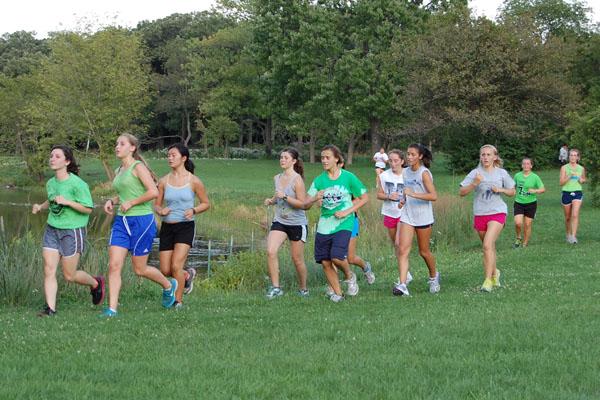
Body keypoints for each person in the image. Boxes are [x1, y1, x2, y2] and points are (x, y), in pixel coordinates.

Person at [102, 133, 177, 317]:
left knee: (139, 269)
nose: (117, 147)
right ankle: (112, 309)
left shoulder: (138, 167)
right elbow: (125, 192)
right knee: (114, 265)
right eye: (116, 144)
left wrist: (133, 203)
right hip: (122, 221)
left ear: (132, 148)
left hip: (142, 221)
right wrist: (113, 199)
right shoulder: (120, 170)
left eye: (121, 144)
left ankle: (169, 285)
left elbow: (153, 191)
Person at [32, 145, 105, 316]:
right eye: (51, 156)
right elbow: (52, 200)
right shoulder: (51, 183)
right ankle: (50, 309)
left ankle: (95, 283)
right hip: (52, 229)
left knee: (69, 275)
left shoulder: (77, 184)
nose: (52, 158)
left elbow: (88, 208)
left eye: (57, 156)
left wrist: (68, 202)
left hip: (71, 232)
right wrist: (40, 206)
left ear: (67, 161)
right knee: (49, 269)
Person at [304, 145, 368, 302]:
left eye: (327, 157)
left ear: (336, 159)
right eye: (322, 158)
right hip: (324, 226)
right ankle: (338, 294)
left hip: (344, 223)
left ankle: (349, 275)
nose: (324, 160)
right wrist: (313, 198)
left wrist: (347, 212)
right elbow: (306, 204)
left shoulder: (348, 177)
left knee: (337, 257)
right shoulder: (319, 180)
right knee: (325, 262)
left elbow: (365, 198)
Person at [154, 143, 210, 309]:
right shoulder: (163, 181)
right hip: (167, 227)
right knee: (165, 269)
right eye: (168, 155)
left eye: (173, 155)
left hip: (185, 227)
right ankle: (186, 275)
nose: (170, 158)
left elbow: (206, 203)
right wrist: (161, 211)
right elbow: (156, 205)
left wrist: (193, 210)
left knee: (176, 265)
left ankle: (177, 302)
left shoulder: (194, 181)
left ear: (184, 158)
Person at [459, 144, 515, 292]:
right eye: (483, 154)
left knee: (486, 245)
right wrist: (474, 184)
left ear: (495, 157)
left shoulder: (501, 173)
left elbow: (512, 191)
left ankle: (487, 280)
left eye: (489, 155)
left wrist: (501, 189)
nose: (485, 157)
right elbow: (462, 192)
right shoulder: (475, 173)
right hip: (480, 213)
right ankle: (495, 272)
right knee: (489, 247)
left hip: (497, 212)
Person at [393, 144, 439, 296]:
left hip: (423, 216)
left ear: (420, 156)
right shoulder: (405, 172)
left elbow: (433, 196)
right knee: (402, 249)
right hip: (407, 215)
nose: (409, 157)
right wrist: (403, 200)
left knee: (424, 252)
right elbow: (406, 192)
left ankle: (433, 277)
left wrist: (413, 194)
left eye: (413, 154)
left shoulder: (424, 173)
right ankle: (402, 284)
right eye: (408, 154)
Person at [263, 148, 309, 298]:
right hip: (280, 221)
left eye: (286, 158)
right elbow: (278, 195)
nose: (282, 160)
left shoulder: (297, 180)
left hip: (297, 223)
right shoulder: (277, 177)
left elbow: (302, 204)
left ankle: (303, 289)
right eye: (281, 157)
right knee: (271, 251)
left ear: (294, 161)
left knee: (297, 259)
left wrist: (285, 197)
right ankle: (276, 288)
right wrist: (271, 200)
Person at [376, 149, 413, 287]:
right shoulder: (384, 176)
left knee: (399, 244)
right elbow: (378, 194)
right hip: (389, 212)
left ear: (402, 161)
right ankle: (406, 274)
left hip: (405, 213)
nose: (393, 163)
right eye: (390, 161)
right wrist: (388, 196)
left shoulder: (409, 175)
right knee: (396, 246)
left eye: (396, 160)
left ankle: (402, 279)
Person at [512, 158, 545, 248]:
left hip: (531, 204)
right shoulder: (517, 176)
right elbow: (513, 187)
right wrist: (512, 191)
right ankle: (518, 237)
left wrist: (535, 190)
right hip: (519, 202)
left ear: (531, 166)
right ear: (522, 165)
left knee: (527, 224)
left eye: (528, 164)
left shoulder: (535, 177)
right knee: (518, 223)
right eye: (524, 164)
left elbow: (543, 189)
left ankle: (525, 243)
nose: (526, 165)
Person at [560, 148, 586, 244]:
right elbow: (561, 183)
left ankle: (573, 236)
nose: (573, 157)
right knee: (567, 217)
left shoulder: (581, 168)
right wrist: (569, 176)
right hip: (566, 192)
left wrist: (580, 178)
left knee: (575, 215)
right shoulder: (564, 168)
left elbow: (583, 180)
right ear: (568, 157)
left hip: (577, 192)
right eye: (571, 155)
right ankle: (568, 234)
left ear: (578, 157)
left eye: (575, 155)